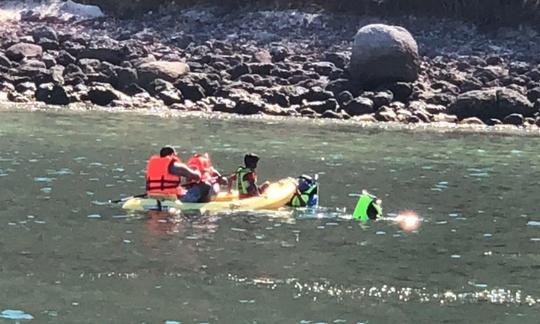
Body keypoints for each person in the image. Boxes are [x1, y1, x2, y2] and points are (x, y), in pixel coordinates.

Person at [145, 146, 211, 203]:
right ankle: (202, 203)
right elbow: (197, 177)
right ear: (173, 154)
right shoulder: (174, 165)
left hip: (152, 196)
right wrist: (197, 169)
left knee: (182, 189)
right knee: (205, 185)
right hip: (169, 198)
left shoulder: (152, 165)